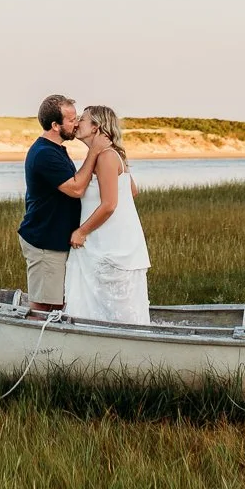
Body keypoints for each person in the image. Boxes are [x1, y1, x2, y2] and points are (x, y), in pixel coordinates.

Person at [18, 94, 110, 315]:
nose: (76, 123)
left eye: (77, 118)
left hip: (55, 240)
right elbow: (76, 189)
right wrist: (95, 151)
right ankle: (37, 348)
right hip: (45, 242)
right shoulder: (44, 154)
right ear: (55, 125)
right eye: (70, 120)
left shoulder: (56, 150)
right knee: (44, 306)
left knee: (59, 303)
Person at [64, 104, 151, 325]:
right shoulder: (112, 155)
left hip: (112, 249)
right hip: (114, 244)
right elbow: (132, 190)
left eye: (82, 119)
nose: (77, 123)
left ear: (95, 127)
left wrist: (82, 231)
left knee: (116, 312)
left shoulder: (106, 157)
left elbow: (110, 204)